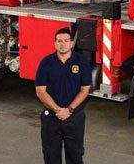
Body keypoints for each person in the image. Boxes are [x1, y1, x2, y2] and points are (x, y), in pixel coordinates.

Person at [35, 27, 92, 164]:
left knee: (75, 155)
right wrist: (57, 110)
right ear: (55, 43)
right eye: (59, 41)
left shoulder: (81, 61)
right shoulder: (46, 63)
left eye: (66, 41)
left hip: (74, 117)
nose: (63, 44)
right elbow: (40, 91)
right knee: (50, 155)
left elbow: (85, 89)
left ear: (72, 43)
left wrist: (69, 109)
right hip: (51, 117)